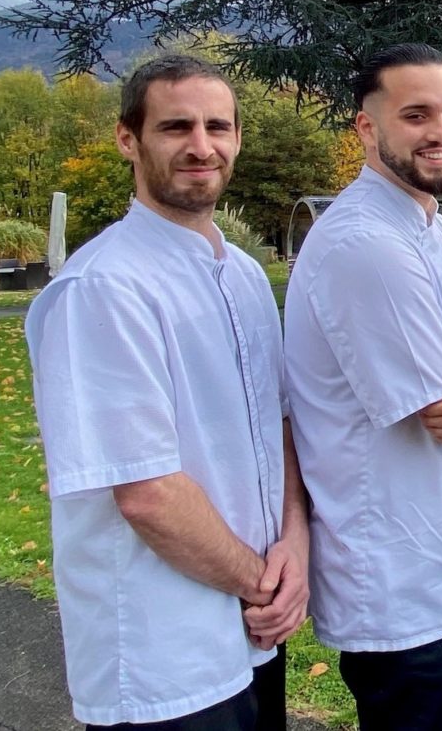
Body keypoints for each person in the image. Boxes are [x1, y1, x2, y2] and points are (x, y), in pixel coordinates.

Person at [26, 54, 308, 730]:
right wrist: (258, 584)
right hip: (162, 653)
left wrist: (295, 545)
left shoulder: (241, 275)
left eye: (219, 126)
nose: (201, 145)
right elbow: (146, 492)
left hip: (254, 635)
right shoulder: (103, 289)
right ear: (130, 138)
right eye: (176, 126)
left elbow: (279, 425)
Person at [283, 44, 442, 731]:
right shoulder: (365, 244)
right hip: (392, 575)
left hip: (434, 563)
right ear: (365, 127)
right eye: (415, 115)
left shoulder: (432, 231)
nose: (441, 132)